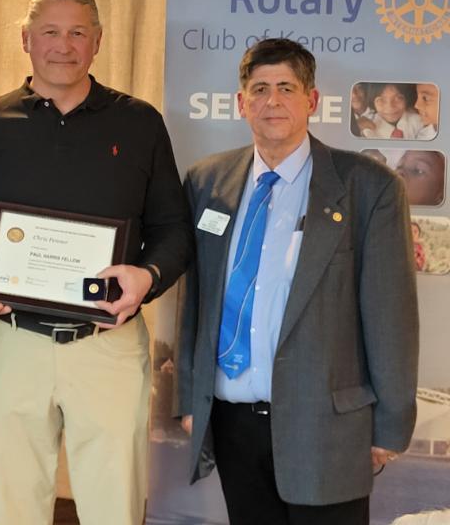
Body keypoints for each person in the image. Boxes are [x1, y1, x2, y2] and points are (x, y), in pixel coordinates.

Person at [0, 0, 190, 525]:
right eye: (50, 32)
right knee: (16, 508)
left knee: (115, 509)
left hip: (108, 345)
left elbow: (173, 228)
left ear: (98, 41)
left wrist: (147, 277)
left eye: (78, 33)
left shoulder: (139, 123)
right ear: (25, 40)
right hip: (12, 341)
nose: (64, 45)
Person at [177, 38, 419, 525]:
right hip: (232, 421)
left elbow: (390, 316)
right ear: (242, 102)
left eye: (286, 88)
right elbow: (195, 301)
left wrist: (390, 426)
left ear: (311, 100)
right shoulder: (207, 181)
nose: (273, 101)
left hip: (326, 426)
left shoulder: (368, 186)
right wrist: (190, 396)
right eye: (260, 89)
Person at [358, 83, 435, 140]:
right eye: (381, 100)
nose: (390, 107)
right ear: (372, 102)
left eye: (398, 98)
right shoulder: (366, 129)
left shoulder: (419, 122)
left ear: (406, 100)